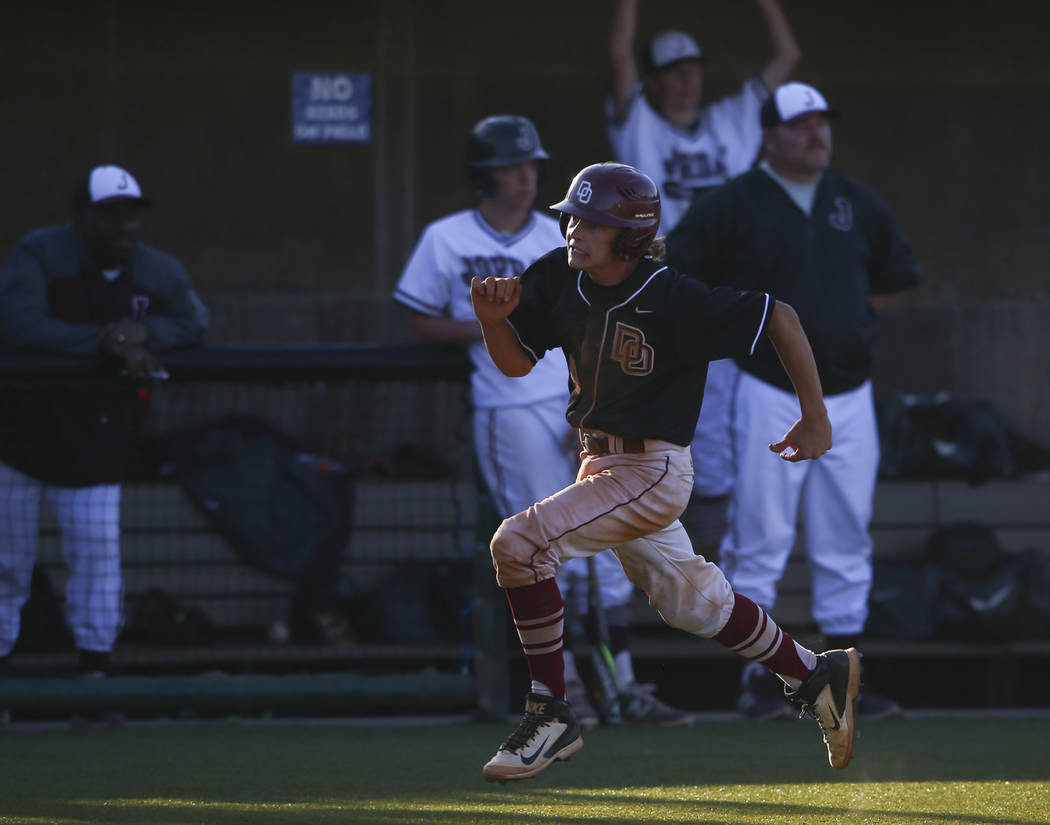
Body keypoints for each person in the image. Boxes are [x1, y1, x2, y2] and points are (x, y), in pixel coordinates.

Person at [471, 160, 862, 782]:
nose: (574, 229)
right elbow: (516, 365)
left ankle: (550, 712)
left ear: (629, 234)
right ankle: (816, 674)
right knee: (693, 603)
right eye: (572, 217)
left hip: (652, 467)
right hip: (600, 461)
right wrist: (493, 323)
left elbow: (780, 317)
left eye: (592, 222)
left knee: (518, 544)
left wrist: (815, 417)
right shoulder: (558, 275)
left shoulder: (671, 293)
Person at [393, 115, 693, 727]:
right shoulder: (446, 237)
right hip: (507, 408)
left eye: (531, 165)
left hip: (577, 407)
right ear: (484, 174)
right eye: (511, 166)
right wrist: (491, 323)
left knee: (611, 555)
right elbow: (418, 319)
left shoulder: (564, 240)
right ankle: (569, 694)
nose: (526, 176)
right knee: (540, 548)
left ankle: (623, 686)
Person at [666, 82, 920, 720]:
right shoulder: (734, 202)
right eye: (800, 124)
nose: (816, 134)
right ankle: (761, 683)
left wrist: (844, 323)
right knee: (762, 539)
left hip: (850, 394)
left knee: (846, 538)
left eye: (822, 122)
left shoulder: (855, 201)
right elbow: (677, 277)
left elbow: (894, 278)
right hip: (767, 390)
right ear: (769, 134)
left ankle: (844, 680)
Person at [606, 0, 801, 558]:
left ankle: (720, 558)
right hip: (659, 296)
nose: (688, 79)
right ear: (655, 81)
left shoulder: (729, 122)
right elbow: (618, 54)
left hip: (727, 293)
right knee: (669, 427)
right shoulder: (639, 127)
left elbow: (786, 55)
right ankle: (675, 558)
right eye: (674, 70)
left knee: (731, 426)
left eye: (693, 67)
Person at [0, 164, 209, 676]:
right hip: (18, 439)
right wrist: (106, 341)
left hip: (96, 441)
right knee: (6, 569)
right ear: (80, 218)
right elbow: (18, 323)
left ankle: (94, 681)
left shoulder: (157, 269)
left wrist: (142, 333)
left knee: (97, 563)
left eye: (131, 215)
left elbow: (194, 321)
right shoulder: (40, 252)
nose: (123, 227)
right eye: (110, 215)